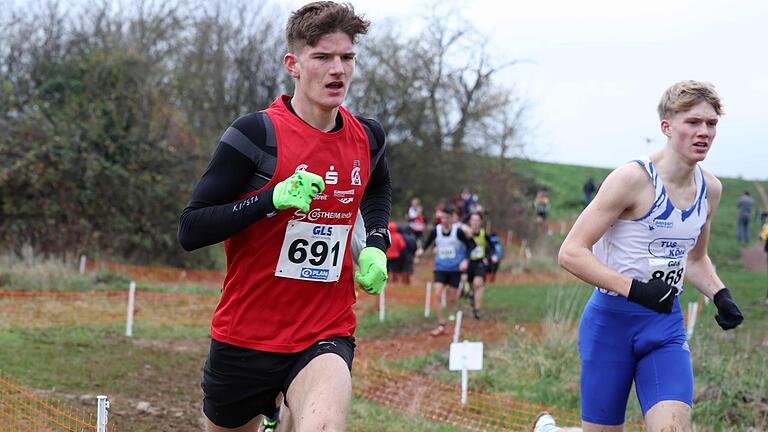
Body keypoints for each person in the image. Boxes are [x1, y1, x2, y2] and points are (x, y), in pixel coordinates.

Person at [176, 3, 392, 431]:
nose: (338, 70)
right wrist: (271, 198)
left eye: (347, 58)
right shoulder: (255, 135)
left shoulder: (368, 136)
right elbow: (191, 228)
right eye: (322, 57)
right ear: (293, 64)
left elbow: (378, 187)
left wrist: (377, 246)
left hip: (324, 330)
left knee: (325, 424)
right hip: (246, 334)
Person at [543, 81, 744, 432]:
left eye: (711, 124)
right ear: (666, 127)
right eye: (693, 122)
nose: (704, 132)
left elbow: (695, 260)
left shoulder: (710, 189)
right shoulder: (631, 179)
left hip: (664, 327)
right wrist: (634, 289)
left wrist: (720, 294)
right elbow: (571, 252)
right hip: (610, 325)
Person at [417, 205, 473, 336]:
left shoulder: (458, 232)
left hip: (455, 269)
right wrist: (421, 250)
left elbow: (470, 246)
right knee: (437, 294)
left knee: (452, 297)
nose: (445, 220)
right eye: (443, 218)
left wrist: (466, 260)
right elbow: (428, 242)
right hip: (440, 268)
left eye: (447, 218)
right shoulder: (436, 231)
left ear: (452, 218)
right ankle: (441, 323)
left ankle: (452, 313)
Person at [464, 212, 498, 320]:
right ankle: (472, 298)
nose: (475, 222)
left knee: (478, 284)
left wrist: (492, 256)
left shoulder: (484, 234)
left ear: (480, 222)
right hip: (468, 263)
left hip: (480, 262)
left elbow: (492, 247)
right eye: (473, 220)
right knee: (471, 286)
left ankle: (477, 310)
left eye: (477, 220)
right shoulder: (465, 233)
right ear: (470, 221)